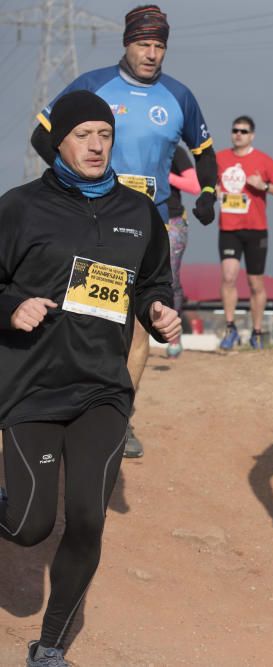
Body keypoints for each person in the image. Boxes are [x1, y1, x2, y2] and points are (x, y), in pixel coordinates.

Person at [1, 91, 180, 667]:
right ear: (60, 142)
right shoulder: (21, 208)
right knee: (31, 527)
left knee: (86, 518)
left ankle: (49, 647)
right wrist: (12, 304)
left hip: (103, 387)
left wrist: (158, 311)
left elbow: (152, 281)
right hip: (33, 385)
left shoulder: (137, 212)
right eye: (84, 134)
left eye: (105, 134)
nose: (98, 144)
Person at [30, 4, 216, 459]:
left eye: (159, 46)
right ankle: (58, 408)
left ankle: (118, 419)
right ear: (127, 44)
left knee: (137, 325)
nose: (151, 54)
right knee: (78, 313)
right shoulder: (93, 85)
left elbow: (205, 152)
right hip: (87, 216)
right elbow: (42, 136)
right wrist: (71, 183)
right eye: (143, 44)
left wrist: (208, 191)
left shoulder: (179, 96)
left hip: (146, 225)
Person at [216, 115, 273, 350]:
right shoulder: (220, 158)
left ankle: (257, 332)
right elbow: (204, 182)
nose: (239, 134)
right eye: (235, 130)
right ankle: (230, 328)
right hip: (229, 228)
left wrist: (264, 186)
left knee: (255, 283)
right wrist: (213, 190)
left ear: (252, 135)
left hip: (256, 229)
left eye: (244, 131)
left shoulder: (263, 160)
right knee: (229, 276)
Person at [164, 146, 200, 358]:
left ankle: (173, 336)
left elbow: (194, 186)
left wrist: (164, 175)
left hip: (172, 220)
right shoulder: (132, 148)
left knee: (171, 279)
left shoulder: (174, 151)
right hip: (137, 216)